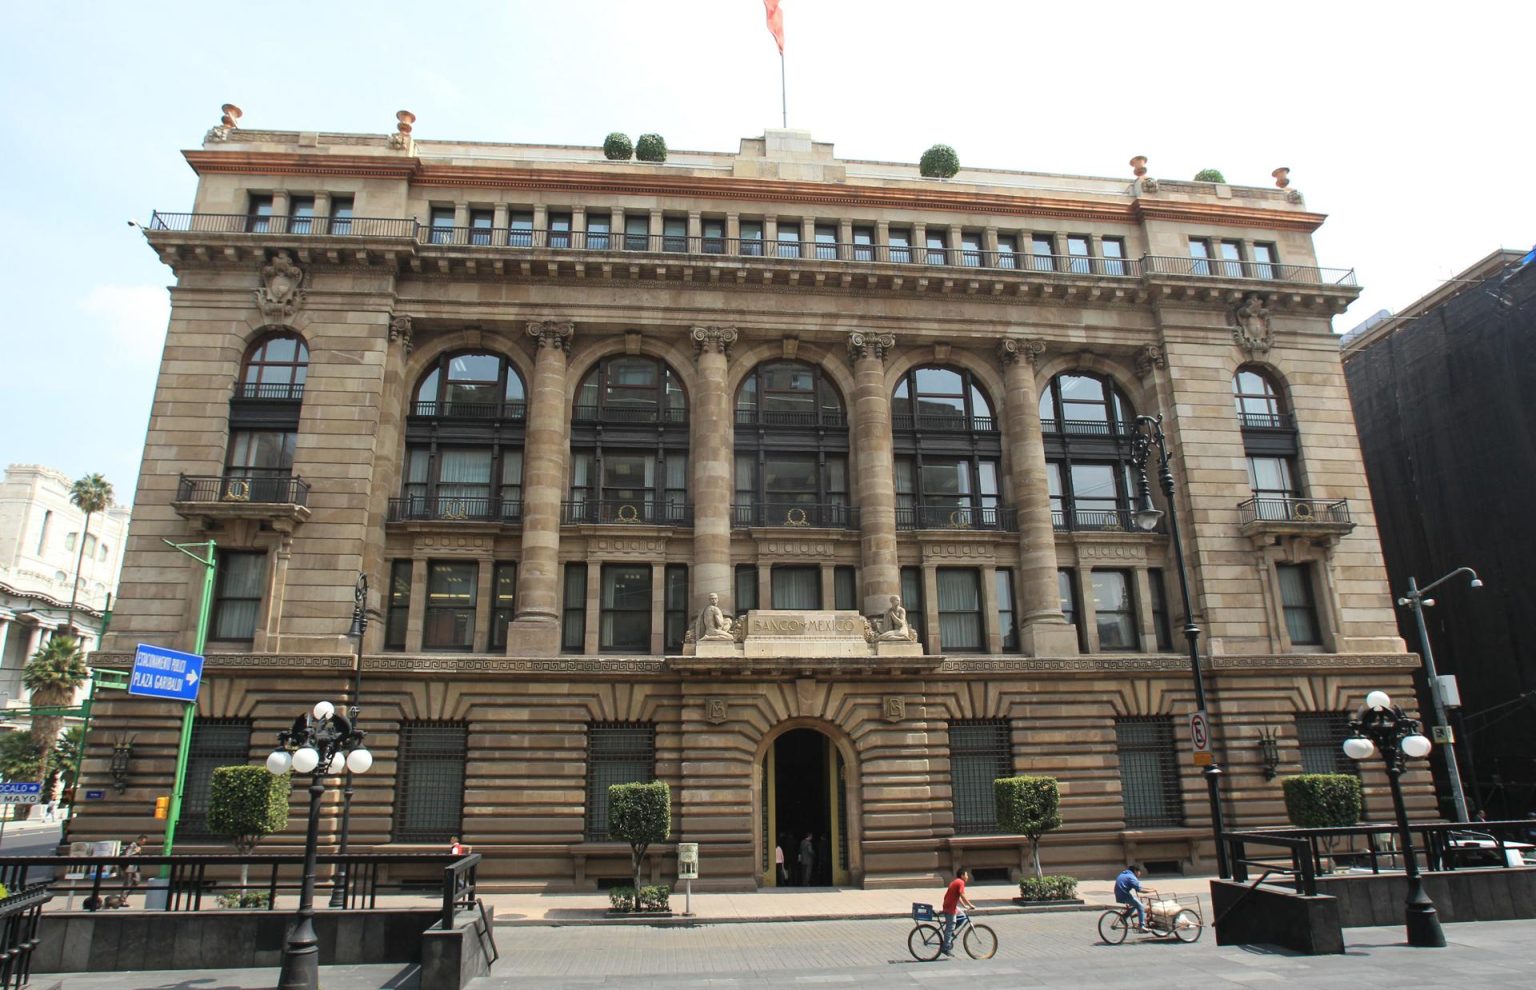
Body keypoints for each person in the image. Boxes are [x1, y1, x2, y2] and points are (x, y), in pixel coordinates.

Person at [940, 867, 976, 955]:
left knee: (963, 916)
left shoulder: (956, 882)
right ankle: (945, 947)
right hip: (950, 907)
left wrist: (964, 906)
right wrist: (970, 905)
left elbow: (958, 896)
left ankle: (949, 933)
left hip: (951, 906)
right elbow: (962, 895)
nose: (967, 877)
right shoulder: (960, 882)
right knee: (951, 925)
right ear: (962, 875)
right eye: (966, 875)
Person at [1115, 863, 1148, 931]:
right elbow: (1139, 890)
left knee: (1133, 905)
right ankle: (1141, 926)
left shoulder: (1123, 874)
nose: (1140, 873)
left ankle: (1123, 917)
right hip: (1124, 895)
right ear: (1136, 871)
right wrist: (1151, 891)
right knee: (1140, 906)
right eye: (1139, 871)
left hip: (1119, 894)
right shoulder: (1131, 877)